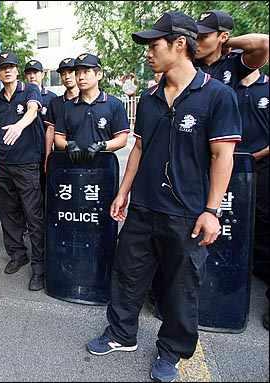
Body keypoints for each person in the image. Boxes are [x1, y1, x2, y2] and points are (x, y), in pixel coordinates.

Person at [86, 12, 242, 383]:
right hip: (142, 208)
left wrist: (211, 211)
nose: (148, 53)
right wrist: (124, 192)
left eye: (154, 45)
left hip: (187, 214)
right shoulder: (150, 97)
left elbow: (223, 156)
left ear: (179, 44)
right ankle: (121, 334)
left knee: (180, 286)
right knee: (127, 275)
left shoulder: (216, 95)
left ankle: (172, 351)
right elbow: (139, 148)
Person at [0, 51, 46, 291]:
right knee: (8, 213)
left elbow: (32, 111)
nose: (8, 70)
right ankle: (17, 254)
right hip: (3, 165)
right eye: (3, 67)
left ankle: (40, 267)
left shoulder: (30, 89)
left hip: (27, 165)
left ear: (17, 69)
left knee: (33, 215)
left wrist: (20, 126)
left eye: (11, 66)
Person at [235, 69, 269, 330]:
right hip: (230, 167)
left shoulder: (266, 88)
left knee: (262, 218)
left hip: (261, 165)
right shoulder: (227, 87)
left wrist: (255, 156)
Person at [52, 53, 129, 160]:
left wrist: (103, 145)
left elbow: (122, 139)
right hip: (72, 168)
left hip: (103, 167)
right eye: (77, 73)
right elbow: (58, 138)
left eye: (86, 72)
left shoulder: (114, 104)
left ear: (99, 75)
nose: (81, 77)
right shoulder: (67, 107)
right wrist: (68, 145)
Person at [194, 10, 269, 89]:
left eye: (203, 37)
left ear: (223, 37)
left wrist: (227, 43)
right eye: (195, 36)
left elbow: (265, 43)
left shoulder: (233, 63)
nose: (195, 43)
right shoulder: (188, 61)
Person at [24, 59, 57, 202]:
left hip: (45, 151)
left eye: (35, 72)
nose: (32, 76)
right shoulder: (21, 96)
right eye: (29, 73)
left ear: (42, 74)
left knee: (46, 188)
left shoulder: (51, 98)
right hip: (26, 153)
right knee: (29, 192)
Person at [43, 57, 79, 171]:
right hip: (61, 158)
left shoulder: (89, 101)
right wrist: (48, 157)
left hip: (87, 157)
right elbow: (50, 130)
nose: (67, 76)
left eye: (70, 72)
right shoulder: (55, 102)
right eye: (63, 74)